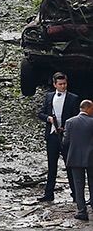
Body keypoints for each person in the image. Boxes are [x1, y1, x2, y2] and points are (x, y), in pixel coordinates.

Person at [37, 72, 80, 202]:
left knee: (70, 166)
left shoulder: (73, 98)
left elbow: (76, 117)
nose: (63, 86)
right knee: (52, 166)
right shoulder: (49, 96)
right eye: (60, 84)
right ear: (55, 84)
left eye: (64, 84)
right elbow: (40, 113)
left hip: (67, 136)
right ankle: (49, 194)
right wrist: (48, 119)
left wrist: (67, 128)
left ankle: (76, 195)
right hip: (52, 135)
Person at [63, 99, 93, 221]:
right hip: (91, 157)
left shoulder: (70, 122)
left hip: (75, 157)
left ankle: (82, 211)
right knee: (92, 183)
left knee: (78, 185)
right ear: (88, 108)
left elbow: (65, 141)